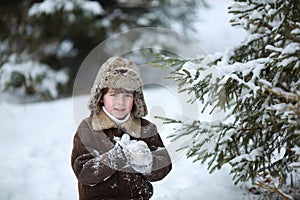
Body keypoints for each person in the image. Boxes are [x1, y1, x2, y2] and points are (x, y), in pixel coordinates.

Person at [71, 56, 172, 200]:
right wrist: (119, 156)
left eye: (127, 96)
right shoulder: (88, 128)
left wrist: (147, 162)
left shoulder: (146, 128)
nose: (121, 102)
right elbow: (83, 172)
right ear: (101, 97)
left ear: (135, 98)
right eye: (113, 95)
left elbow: (164, 164)